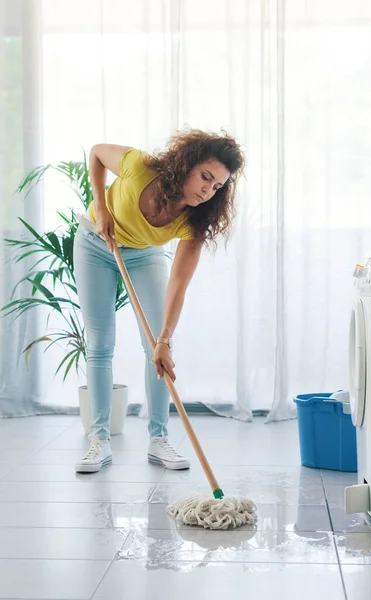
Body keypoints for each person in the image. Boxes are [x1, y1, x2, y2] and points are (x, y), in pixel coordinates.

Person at [73, 128, 245, 473]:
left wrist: (165, 337)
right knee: (101, 343)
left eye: (216, 187)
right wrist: (102, 207)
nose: (206, 191)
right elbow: (96, 152)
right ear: (186, 165)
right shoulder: (139, 166)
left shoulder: (195, 221)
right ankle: (100, 440)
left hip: (142, 254)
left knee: (155, 345)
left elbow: (179, 283)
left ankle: (158, 439)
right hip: (95, 243)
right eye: (205, 177)